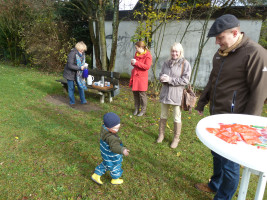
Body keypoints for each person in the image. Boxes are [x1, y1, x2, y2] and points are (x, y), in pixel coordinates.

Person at [195, 14, 267, 200]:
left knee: (230, 164)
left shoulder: (255, 53)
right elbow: (213, 80)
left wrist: (246, 129)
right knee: (217, 155)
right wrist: (202, 100)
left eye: (220, 38)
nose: (217, 42)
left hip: (236, 124)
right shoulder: (220, 53)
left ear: (235, 33)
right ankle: (215, 184)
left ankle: (223, 197)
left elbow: (259, 93)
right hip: (216, 118)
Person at [157, 42, 192, 148]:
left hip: (176, 94)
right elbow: (160, 74)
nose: (174, 53)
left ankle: (176, 138)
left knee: (177, 117)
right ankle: (161, 135)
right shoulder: (166, 62)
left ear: (180, 52)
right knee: (163, 115)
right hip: (165, 93)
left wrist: (170, 79)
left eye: (176, 51)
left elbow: (185, 80)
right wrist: (162, 78)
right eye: (172, 51)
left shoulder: (185, 64)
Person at [91, 112, 130, 185]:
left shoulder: (104, 128)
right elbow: (115, 147)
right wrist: (122, 150)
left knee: (106, 163)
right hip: (112, 156)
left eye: (118, 127)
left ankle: (96, 175)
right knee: (115, 166)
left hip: (105, 153)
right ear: (109, 128)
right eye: (116, 128)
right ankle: (115, 179)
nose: (117, 129)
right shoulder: (112, 138)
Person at [129, 41, 152, 116]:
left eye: (137, 48)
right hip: (135, 76)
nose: (136, 49)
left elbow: (147, 67)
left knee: (142, 94)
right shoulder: (137, 54)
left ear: (141, 47)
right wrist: (133, 63)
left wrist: (136, 63)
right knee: (135, 93)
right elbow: (137, 65)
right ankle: (136, 108)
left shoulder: (148, 55)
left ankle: (143, 110)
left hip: (142, 78)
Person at [63, 41, 88, 107]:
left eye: (83, 50)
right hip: (70, 73)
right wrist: (80, 68)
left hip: (78, 73)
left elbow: (82, 61)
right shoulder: (72, 53)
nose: (82, 51)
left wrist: (84, 66)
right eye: (81, 50)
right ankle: (72, 102)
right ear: (78, 48)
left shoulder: (82, 53)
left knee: (80, 86)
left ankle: (83, 100)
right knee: (71, 88)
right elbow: (70, 65)